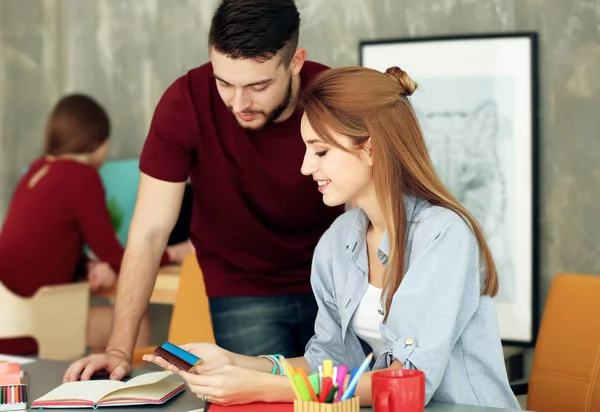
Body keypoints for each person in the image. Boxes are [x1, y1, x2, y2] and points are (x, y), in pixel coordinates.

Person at [141, 66, 521, 409]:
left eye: (320, 151)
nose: (307, 167)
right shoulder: (339, 241)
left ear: (370, 148)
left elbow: (412, 384)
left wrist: (261, 387)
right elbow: (329, 365)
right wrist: (234, 361)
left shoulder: (443, 235)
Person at [63, 0, 342, 382]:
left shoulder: (335, 98)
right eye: (224, 82)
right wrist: (117, 350)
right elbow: (147, 235)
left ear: (295, 62)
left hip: (334, 285)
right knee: (255, 401)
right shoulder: (185, 103)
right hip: (242, 286)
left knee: (341, 397)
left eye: (258, 85)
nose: (239, 103)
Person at [0, 94, 191, 356]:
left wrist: (85, 266)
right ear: (95, 142)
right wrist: (175, 253)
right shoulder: (82, 177)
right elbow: (117, 258)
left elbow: (45, 246)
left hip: (9, 320)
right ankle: (122, 394)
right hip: (31, 325)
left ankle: (98, 390)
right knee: (136, 323)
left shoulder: (38, 169)